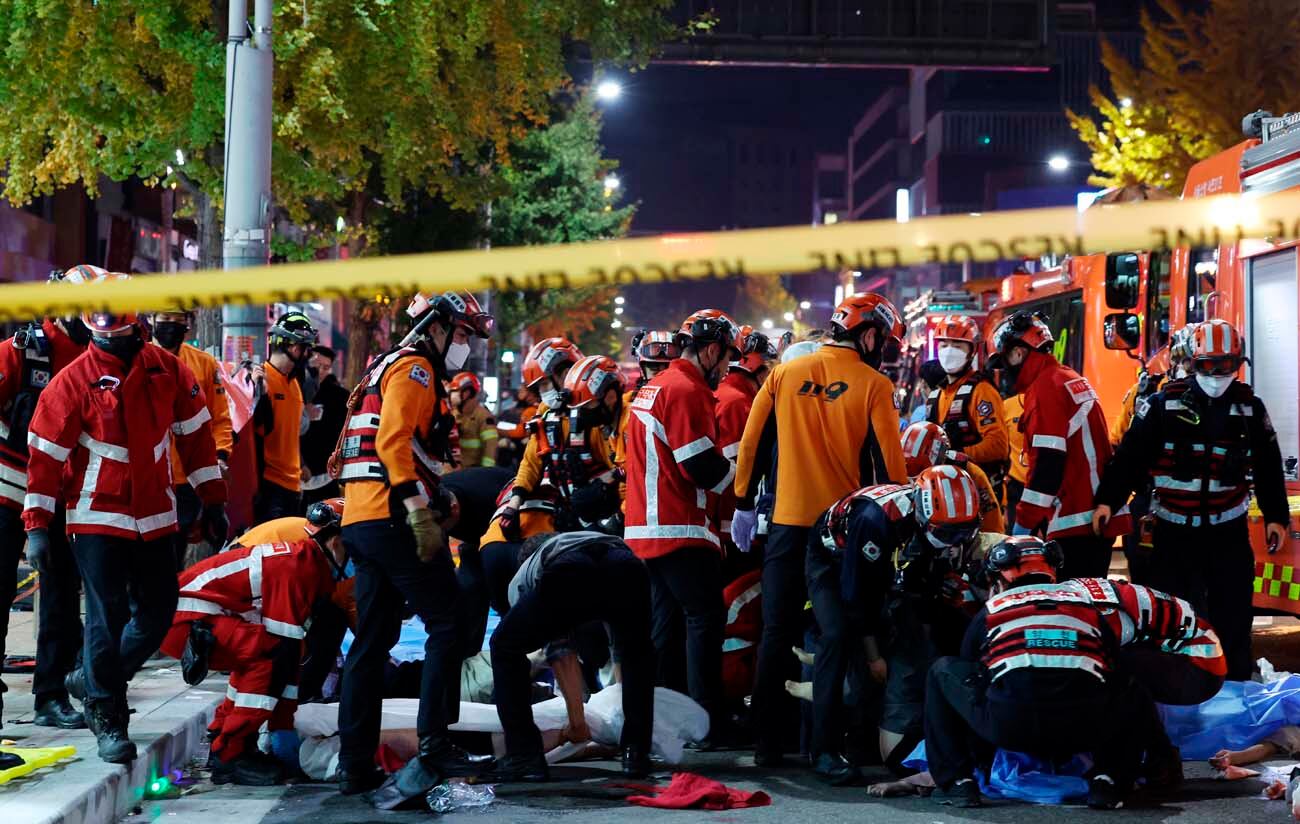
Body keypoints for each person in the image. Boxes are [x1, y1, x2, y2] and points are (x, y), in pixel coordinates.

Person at [23, 271, 228, 763]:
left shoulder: (168, 371)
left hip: (157, 514)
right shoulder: (73, 381)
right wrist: (36, 526)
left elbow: (197, 436)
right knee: (105, 617)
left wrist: (214, 498)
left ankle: (92, 678)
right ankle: (108, 716)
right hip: (97, 515)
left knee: (158, 612)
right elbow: (45, 456)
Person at [924, 535, 1227, 810]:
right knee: (1126, 685)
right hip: (1084, 725)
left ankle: (957, 783)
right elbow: (1113, 671)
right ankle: (1111, 781)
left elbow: (973, 674)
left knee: (944, 671)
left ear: (1000, 579)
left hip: (1197, 660)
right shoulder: (1083, 602)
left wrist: (981, 752)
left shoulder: (993, 607)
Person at [732, 293, 908, 765]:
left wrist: (744, 505)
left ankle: (767, 745)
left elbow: (751, 445)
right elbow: (889, 469)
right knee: (838, 633)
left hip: (785, 524)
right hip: (840, 533)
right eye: (883, 341)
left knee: (775, 631)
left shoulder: (784, 375)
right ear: (869, 335)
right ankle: (830, 749)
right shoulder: (874, 385)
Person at [334, 290, 494, 801]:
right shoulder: (416, 370)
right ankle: (435, 742)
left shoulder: (385, 367)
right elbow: (392, 443)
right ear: (437, 326)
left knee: (371, 641)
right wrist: (417, 510)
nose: (465, 344)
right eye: (463, 333)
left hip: (362, 519)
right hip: (391, 516)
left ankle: (355, 765)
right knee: (451, 622)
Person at [1094, 319, 1288, 680]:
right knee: (1172, 615)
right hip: (1172, 533)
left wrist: (1277, 515)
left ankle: (1233, 687)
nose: (1217, 374)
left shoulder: (1250, 409)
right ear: (1193, 363)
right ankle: (1175, 688)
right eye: (1208, 366)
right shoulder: (1162, 406)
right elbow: (1130, 460)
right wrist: (1108, 500)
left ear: (1238, 364)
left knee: (1232, 616)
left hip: (1227, 533)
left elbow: (1268, 466)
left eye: (1226, 366)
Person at [160, 508, 347, 785]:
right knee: (267, 654)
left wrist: (282, 723)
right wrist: (281, 727)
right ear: (334, 542)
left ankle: (227, 741)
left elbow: (291, 655)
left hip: (188, 616)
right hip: (186, 621)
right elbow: (283, 652)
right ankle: (230, 754)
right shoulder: (298, 566)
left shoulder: (311, 567)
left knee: (261, 654)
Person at [624, 309, 740, 744]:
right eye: (728, 357)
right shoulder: (686, 389)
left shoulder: (655, 387)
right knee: (705, 620)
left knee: (664, 630)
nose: (728, 367)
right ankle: (706, 723)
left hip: (645, 527)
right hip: (679, 527)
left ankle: (663, 719)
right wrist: (744, 485)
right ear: (712, 350)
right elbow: (701, 467)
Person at [0, 267, 94, 731]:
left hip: (60, 499)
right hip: (6, 491)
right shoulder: (24, 350)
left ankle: (50, 696)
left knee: (60, 598)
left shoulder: (97, 360)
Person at [486, 531, 654, 781]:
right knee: (637, 652)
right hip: (629, 565)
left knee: (503, 646)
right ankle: (637, 753)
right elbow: (624, 654)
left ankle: (524, 757)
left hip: (571, 570)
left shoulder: (526, 573)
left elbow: (560, 651)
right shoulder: (587, 539)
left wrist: (577, 722)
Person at [986, 311, 1125, 578]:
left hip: (1075, 525)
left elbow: (1047, 468)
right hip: (1091, 521)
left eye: (1004, 361)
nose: (1003, 371)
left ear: (1018, 353)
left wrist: (1022, 528)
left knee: (1067, 612)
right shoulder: (1066, 377)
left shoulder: (1045, 390)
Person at [803, 483, 914, 784]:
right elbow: (857, 597)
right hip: (829, 560)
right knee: (838, 635)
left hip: (868, 558)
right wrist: (873, 655)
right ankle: (823, 749)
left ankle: (866, 736)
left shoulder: (928, 516)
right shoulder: (874, 520)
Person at [151, 308, 235, 567]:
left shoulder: (204, 364)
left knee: (174, 556)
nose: (171, 326)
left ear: (187, 324)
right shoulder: (136, 359)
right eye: (165, 320)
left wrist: (221, 454)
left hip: (186, 479)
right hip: (148, 476)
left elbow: (220, 417)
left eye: (178, 321)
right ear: (153, 321)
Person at [925, 315, 1008, 497]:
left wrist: (957, 454)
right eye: (944, 345)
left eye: (957, 345)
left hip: (981, 492)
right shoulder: (935, 395)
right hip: (945, 492)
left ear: (972, 351)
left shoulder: (982, 391)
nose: (949, 351)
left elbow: (998, 446)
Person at [715, 326, 776, 554]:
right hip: (729, 518)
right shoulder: (740, 403)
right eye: (769, 367)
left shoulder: (725, 393)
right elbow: (742, 466)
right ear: (754, 365)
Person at [251, 312, 318, 521]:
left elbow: (291, 432)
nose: (309, 356)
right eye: (306, 349)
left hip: (294, 486)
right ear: (294, 347)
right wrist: (257, 395)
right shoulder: (260, 380)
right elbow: (257, 431)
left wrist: (302, 463)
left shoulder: (295, 384)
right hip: (269, 487)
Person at [900, 421, 1004, 533]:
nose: (918, 480)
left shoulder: (971, 474)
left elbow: (993, 526)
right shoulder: (903, 469)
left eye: (922, 471)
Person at [300, 346, 348, 506]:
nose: (320, 371)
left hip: (325, 473)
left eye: (325, 367)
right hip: (294, 471)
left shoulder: (340, 397)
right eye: (316, 365)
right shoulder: (293, 389)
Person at [450, 372, 498, 469]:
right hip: (453, 471)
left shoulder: (484, 416)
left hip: (472, 472)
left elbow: (490, 448)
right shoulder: (452, 414)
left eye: (455, 391)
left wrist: (485, 473)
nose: (452, 395)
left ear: (467, 393)